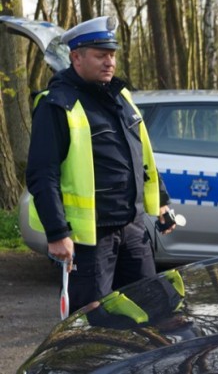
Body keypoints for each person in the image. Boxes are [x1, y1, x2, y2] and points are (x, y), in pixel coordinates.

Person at [26, 16, 175, 313]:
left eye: (112, 55)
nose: (109, 62)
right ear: (76, 58)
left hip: (132, 229)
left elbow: (143, 156)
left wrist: (161, 202)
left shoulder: (122, 97)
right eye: (101, 55)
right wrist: (57, 233)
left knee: (149, 310)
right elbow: (43, 174)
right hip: (90, 239)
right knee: (92, 319)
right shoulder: (57, 104)